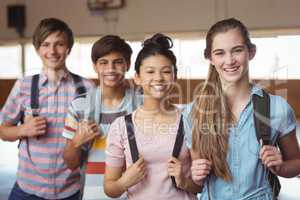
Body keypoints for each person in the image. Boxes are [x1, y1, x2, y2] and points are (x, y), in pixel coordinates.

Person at [185, 18, 300, 200]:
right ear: (210, 58)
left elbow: (297, 164)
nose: (229, 60)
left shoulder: (277, 108)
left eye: (237, 50)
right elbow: (196, 184)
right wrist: (195, 174)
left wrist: (282, 167)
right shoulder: (194, 112)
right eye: (220, 53)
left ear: (251, 52)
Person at [0, 18, 94, 200]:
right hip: (27, 190)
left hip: (70, 190)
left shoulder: (86, 88)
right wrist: (22, 130)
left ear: (69, 48)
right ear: (37, 49)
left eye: (59, 44)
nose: (52, 51)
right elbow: (3, 131)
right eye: (46, 44)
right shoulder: (23, 85)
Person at [104, 33, 199, 200]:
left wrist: (184, 181)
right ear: (138, 78)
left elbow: (201, 185)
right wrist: (123, 183)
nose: (158, 78)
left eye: (166, 71)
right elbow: (110, 188)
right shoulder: (121, 127)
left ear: (175, 77)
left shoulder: (189, 120)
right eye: (150, 71)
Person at [62, 35, 142, 200]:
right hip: (94, 195)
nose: (110, 69)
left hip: (138, 194)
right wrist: (77, 141)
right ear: (95, 66)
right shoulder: (79, 106)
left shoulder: (143, 104)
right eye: (103, 63)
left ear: (127, 65)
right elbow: (71, 164)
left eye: (118, 62)